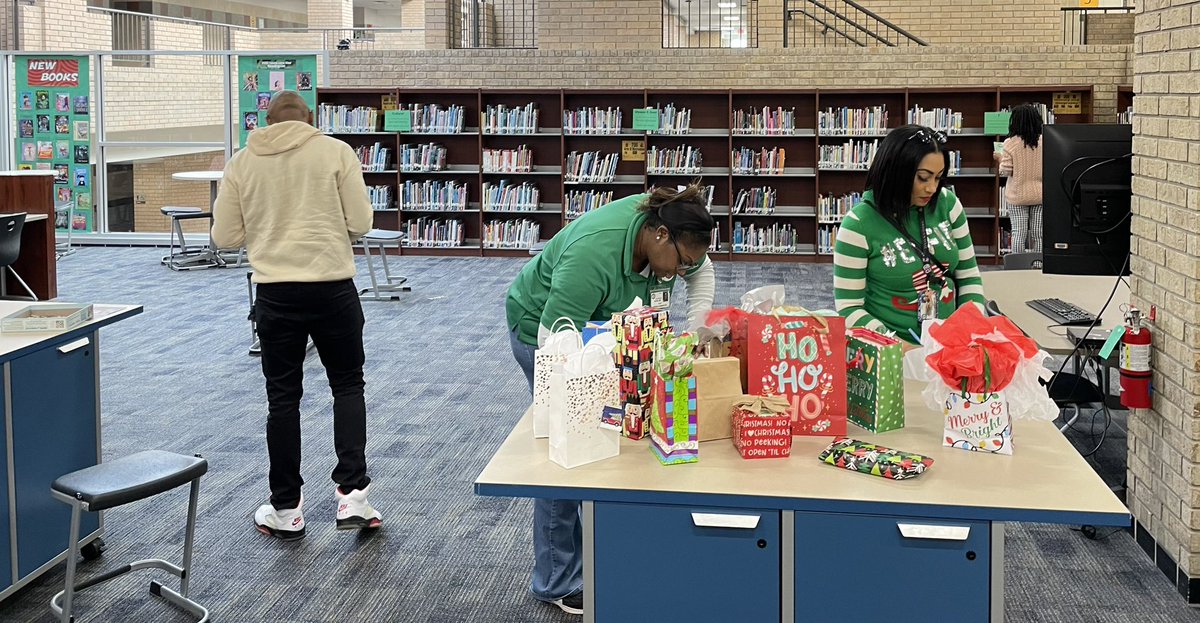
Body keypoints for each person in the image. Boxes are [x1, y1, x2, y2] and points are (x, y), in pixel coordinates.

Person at [505, 185, 717, 615]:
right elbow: (555, 341)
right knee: (566, 453)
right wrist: (604, 377)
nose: (682, 274)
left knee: (620, 442)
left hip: (617, 338)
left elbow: (701, 272)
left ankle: (605, 552)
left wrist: (695, 331)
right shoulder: (594, 254)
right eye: (680, 263)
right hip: (548, 337)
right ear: (659, 236)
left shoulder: (677, 230)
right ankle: (556, 580)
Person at [213, 91, 380, 541]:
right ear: (311, 118)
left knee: (282, 399)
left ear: (265, 121)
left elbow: (225, 236)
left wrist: (266, 225)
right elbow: (361, 222)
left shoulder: (242, 162)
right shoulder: (336, 152)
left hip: (275, 292)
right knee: (347, 385)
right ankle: (353, 498)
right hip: (333, 288)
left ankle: (286, 508)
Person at [833, 124, 987, 344]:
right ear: (897, 173)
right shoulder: (858, 224)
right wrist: (895, 345)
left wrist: (968, 328)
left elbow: (969, 275)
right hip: (892, 350)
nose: (932, 188)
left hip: (952, 344)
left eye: (938, 177)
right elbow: (849, 308)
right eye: (923, 178)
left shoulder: (948, 204)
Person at [996, 104, 1044, 254]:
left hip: (1017, 195)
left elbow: (1005, 171)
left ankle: (1018, 269)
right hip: (1039, 195)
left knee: (1018, 233)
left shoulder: (1010, 143)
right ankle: (1038, 266)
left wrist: (999, 158)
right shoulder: (1046, 141)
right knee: (1039, 234)